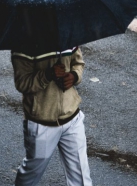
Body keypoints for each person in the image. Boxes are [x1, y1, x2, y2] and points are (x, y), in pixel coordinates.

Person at [11, 46, 92, 186]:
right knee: (32, 173)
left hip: (72, 117)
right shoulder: (23, 43)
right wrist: (48, 75)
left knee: (81, 177)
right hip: (42, 123)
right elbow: (22, 83)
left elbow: (78, 63)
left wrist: (74, 76)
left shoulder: (67, 34)